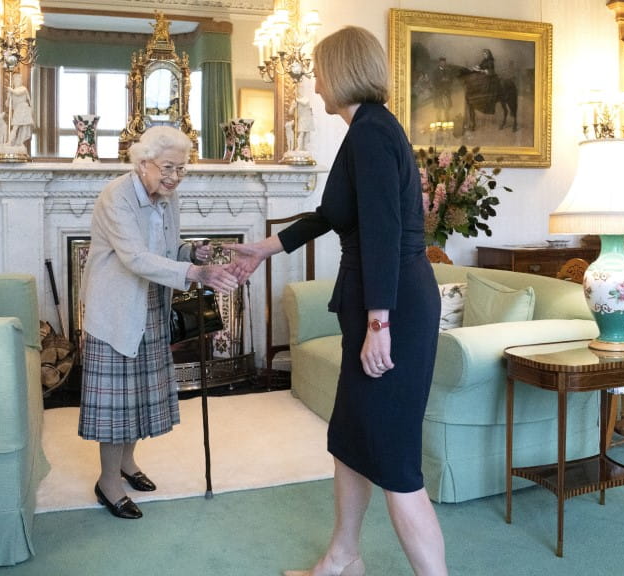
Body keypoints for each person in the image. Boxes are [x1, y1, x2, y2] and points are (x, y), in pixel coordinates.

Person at [229, 27, 448, 576]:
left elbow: (381, 230)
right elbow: (331, 216)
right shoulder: (364, 131)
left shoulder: (372, 133)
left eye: (321, 71)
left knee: (396, 461)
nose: (316, 81)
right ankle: (343, 559)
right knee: (350, 439)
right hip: (378, 301)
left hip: (393, 304)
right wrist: (263, 248)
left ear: (344, 72)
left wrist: (380, 323)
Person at [78, 126, 240, 520]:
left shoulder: (168, 199)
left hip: (150, 302)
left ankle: (127, 464)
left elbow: (166, 249)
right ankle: (108, 483)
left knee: (138, 396)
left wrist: (191, 251)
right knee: (116, 403)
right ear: (143, 163)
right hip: (116, 308)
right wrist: (195, 273)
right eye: (168, 167)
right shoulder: (116, 197)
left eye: (181, 169)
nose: (174, 177)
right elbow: (134, 257)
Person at [7, 73, 33, 147]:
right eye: (15, 80)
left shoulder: (23, 88)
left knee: (24, 127)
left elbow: (18, 93)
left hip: (23, 109)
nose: (16, 81)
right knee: (15, 127)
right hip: (17, 110)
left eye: (18, 79)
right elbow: (7, 104)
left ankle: (20, 143)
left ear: (20, 81)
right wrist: (8, 97)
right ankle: (10, 142)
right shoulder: (13, 90)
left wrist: (11, 90)